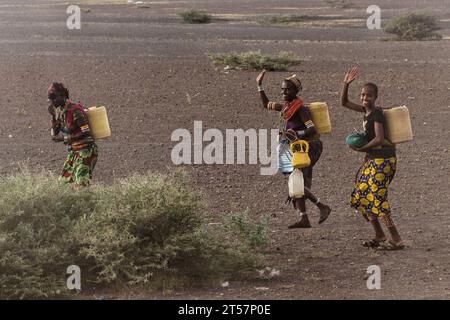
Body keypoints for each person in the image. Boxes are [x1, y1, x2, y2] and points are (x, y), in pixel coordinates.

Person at [256, 69, 331, 228]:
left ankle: (322, 206)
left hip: (309, 146)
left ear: (295, 91)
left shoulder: (301, 108)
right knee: (296, 180)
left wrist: (295, 133)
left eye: (287, 90)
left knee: (295, 179)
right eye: (282, 89)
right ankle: (304, 218)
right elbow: (266, 104)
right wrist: (259, 85)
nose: (284, 92)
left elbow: (311, 129)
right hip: (298, 146)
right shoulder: (287, 107)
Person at [341, 66, 404, 250]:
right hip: (373, 160)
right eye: (362, 95)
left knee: (377, 197)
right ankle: (379, 234)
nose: (364, 98)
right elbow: (344, 102)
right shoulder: (365, 111)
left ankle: (397, 239)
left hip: (383, 160)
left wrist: (360, 149)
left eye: (368, 96)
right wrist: (345, 84)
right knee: (361, 196)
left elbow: (378, 138)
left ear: (375, 97)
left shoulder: (377, 113)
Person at [47, 82, 98, 187]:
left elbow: (86, 131)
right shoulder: (59, 111)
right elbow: (54, 133)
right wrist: (53, 117)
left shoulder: (75, 110)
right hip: (74, 152)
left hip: (86, 151)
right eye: (50, 99)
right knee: (62, 185)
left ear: (63, 96)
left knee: (81, 185)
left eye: (54, 98)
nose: (52, 102)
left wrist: (65, 138)